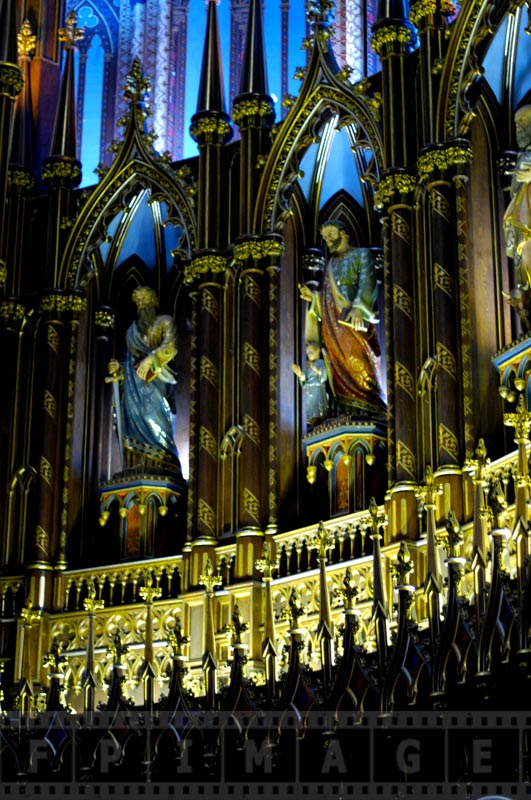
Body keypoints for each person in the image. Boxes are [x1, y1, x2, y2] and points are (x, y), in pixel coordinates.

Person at [299, 219, 386, 417]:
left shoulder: (362, 255)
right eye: (324, 237)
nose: (327, 240)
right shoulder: (330, 264)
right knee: (336, 370)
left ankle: (370, 405)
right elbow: (329, 298)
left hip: (355, 325)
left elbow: (367, 282)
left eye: (330, 234)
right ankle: (343, 408)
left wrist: (358, 308)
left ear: (343, 233)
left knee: (362, 368)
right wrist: (313, 298)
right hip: (334, 331)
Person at [108, 286, 182, 472]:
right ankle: (135, 465)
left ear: (153, 301)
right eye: (138, 301)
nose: (141, 303)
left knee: (159, 424)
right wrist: (121, 370)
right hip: (134, 393)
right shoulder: (130, 332)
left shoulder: (165, 322)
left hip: (159, 384)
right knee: (133, 425)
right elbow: (130, 361)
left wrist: (152, 358)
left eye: (144, 299)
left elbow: (171, 346)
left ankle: (163, 465)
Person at [503, 105, 531, 290]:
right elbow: (514, 186)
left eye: (523, 121)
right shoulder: (523, 155)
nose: (518, 128)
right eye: (516, 124)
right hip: (523, 206)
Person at [292, 342, 329, 427]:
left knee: (316, 410)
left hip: (317, 388)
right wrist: (300, 374)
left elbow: (324, 377)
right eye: (307, 353)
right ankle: (310, 422)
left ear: (318, 351)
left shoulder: (321, 362)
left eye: (311, 352)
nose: (309, 355)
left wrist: (318, 372)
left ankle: (317, 421)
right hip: (308, 390)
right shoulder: (307, 365)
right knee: (308, 408)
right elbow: (304, 379)